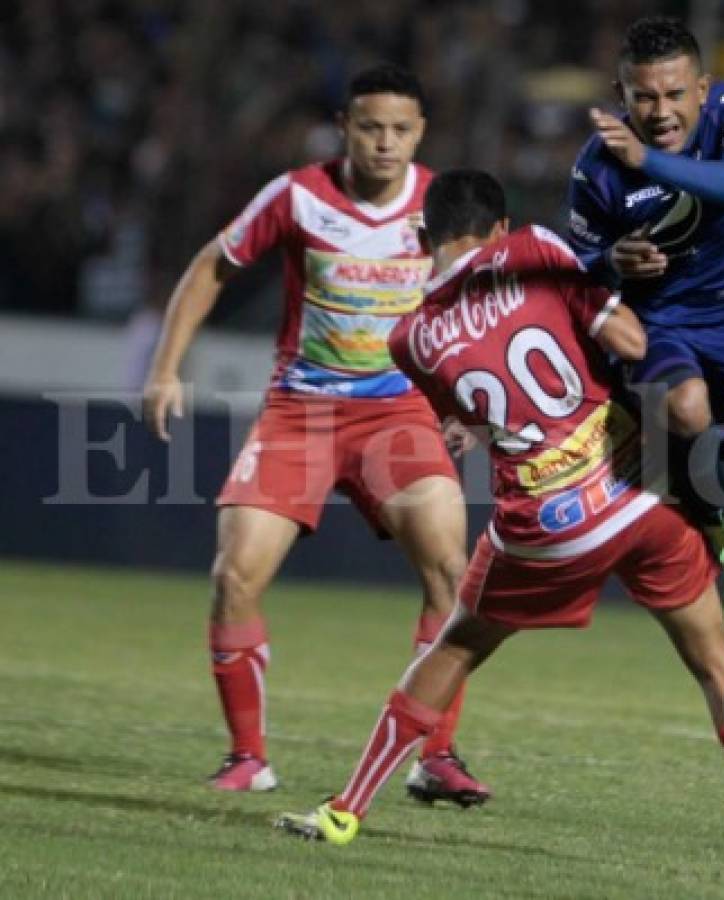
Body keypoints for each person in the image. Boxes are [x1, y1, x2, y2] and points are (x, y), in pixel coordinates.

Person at [274, 170, 724, 889]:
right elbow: (625, 337)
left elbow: (476, 410)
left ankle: (344, 810)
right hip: (635, 495)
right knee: (718, 666)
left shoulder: (407, 339)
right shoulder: (534, 248)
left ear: (420, 238)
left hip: (544, 523)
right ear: (498, 229)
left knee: (457, 645)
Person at [140, 65, 488, 804]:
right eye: (370, 127)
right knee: (234, 576)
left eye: (400, 129)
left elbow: (472, 307)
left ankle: (437, 755)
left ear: (420, 133)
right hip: (301, 409)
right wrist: (166, 368)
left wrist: (463, 402)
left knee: (450, 570)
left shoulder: (438, 204)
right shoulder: (297, 195)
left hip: (398, 414)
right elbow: (213, 265)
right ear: (344, 125)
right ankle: (247, 757)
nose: (385, 143)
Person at [567, 16, 724, 660]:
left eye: (674, 94)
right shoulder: (595, 168)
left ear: (701, 89)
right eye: (643, 96)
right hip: (659, 323)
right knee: (687, 408)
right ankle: (714, 529)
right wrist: (613, 261)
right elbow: (576, 263)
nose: (659, 110)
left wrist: (645, 160)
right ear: (623, 93)